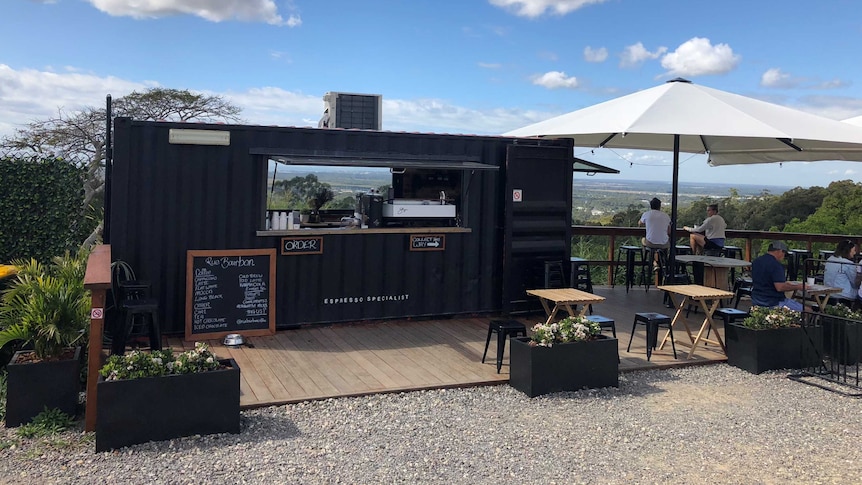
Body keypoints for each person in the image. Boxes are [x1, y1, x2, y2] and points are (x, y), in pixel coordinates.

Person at [750, 241, 804, 311]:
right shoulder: (776, 265)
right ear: (780, 251)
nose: (784, 257)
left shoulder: (756, 261)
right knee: (807, 310)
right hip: (773, 302)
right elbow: (780, 287)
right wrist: (799, 286)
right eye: (784, 254)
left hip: (756, 300)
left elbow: (766, 280)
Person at [638, 197, 671, 270]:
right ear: (659, 206)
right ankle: (664, 262)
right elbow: (669, 231)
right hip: (664, 244)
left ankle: (654, 262)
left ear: (651, 206)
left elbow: (640, 223)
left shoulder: (646, 214)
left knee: (644, 240)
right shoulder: (666, 216)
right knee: (665, 245)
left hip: (651, 243)